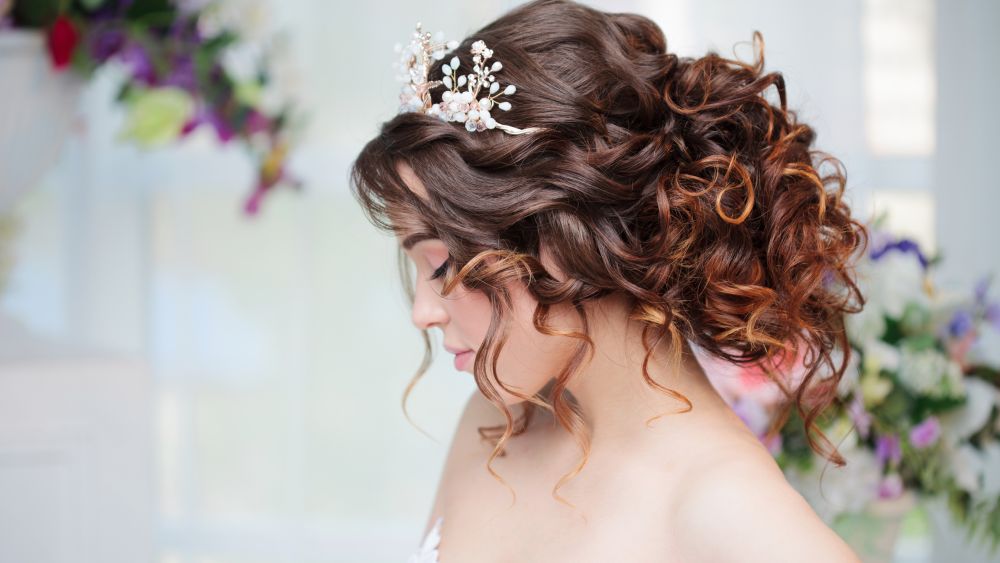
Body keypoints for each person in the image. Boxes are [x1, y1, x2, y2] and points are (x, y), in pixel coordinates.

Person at [350, 0, 868, 561]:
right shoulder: (498, 423)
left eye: (442, 265)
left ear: (562, 241)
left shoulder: (737, 519)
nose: (422, 312)